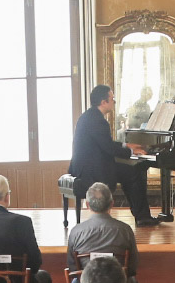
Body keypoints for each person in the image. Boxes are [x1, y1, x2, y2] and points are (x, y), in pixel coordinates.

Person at [67, 84, 156, 226]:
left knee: (130, 172)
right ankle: (142, 217)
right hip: (91, 171)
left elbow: (104, 143)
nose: (114, 102)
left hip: (84, 167)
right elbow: (108, 148)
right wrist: (131, 152)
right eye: (112, 99)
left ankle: (141, 216)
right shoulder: (98, 120)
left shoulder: (90, 116)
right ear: (104, 102)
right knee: (133, 172)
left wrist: (126, 145)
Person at [67, 181, 143, 283]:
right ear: (112, 204)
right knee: (132, 281)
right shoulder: (125, 230)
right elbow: (133, 267)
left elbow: (72, 268)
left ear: (87, 205)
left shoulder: (76, 231)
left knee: (75, 281)